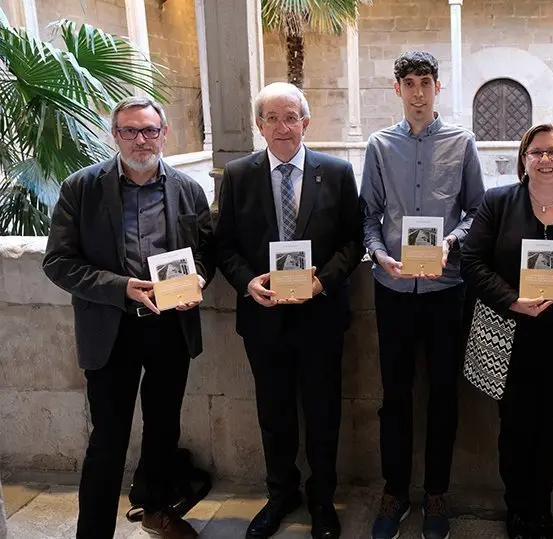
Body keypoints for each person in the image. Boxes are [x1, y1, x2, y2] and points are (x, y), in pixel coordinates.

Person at [42, 97, 215, 539]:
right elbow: (58, 262)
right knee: (108, 438)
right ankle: (93, 532)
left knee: (163, 427)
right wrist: (121, 287)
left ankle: (155, 508)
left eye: (150, 130)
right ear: (114, 135)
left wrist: (199, 282)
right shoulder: (82, 188)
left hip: (170, 327)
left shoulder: (188, 189)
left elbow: (205, 254)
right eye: (130, 131)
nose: (141, 139)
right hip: (110, 328)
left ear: (164, 132)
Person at [214, 82, 364, 539]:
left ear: (306, 122)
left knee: (323, 414)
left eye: (291, 117)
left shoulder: (336, 172)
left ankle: (322, 500)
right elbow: (224, 244)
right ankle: (281, 494)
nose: (283, 127)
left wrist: (323, 281)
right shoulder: (238, 175)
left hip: (320, 317)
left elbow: (353, 241)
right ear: (260, 126)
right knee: (273, 414)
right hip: (265, 319)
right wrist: (247, 282)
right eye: (273, 118)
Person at [461, 123, 553, 539]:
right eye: (536, 151)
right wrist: (511, 299)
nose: (546, 159)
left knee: (548, 425)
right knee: (512, 425)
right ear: (523, 160)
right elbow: (471, 262)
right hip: (509, 338)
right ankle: (517, 506)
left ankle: (540, 506)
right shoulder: (497, 204)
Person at [359, 50, 485, 539]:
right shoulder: (378, 145)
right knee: (394, 394)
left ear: (438, 87)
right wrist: (377, 254)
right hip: (392, 287)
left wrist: (452, 241)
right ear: (397, 89)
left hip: (445, 289)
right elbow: (369, 214)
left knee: (442, 395)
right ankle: (395, 491)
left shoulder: (462, 142)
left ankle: (436, 493)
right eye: (408, 82)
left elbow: (477, 211)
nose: (417, 91)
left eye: (425, 82)